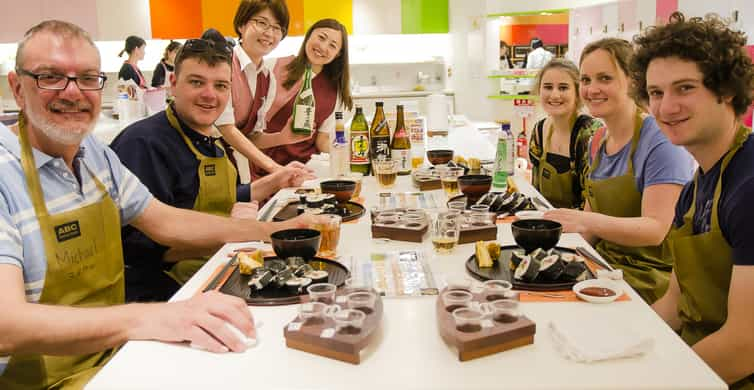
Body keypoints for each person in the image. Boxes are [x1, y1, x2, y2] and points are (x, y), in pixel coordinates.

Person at [0, 20, 312, 389]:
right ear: (17, 88)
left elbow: (166, 221)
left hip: (115, 353)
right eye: (50, 77)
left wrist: (273, 231)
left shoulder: (95, 156)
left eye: (87, 78)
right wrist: (151, 318)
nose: (73, 93)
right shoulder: (7, 174)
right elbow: (7, 326)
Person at [111, 37, 308, 301]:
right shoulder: (144, 144)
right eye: (196, 82)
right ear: (173, 84)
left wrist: (276, 180)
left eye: (220, 85)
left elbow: (221, 197)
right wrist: (235, 233)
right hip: (168, 290)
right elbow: (137, 248)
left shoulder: (209, 138)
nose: (209, 94)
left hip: (215, 267)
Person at [632, 12, 754, 388]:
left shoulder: (749, 187)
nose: (666, 108)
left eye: (685, 88)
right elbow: (673, 304)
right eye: (656, 93)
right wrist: (620, 342)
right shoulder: (695, 187)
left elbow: (744, 346)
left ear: (727, 90)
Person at [544, 38, 695, 303]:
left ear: (634, 81)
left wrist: (585, 221)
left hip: (648, 279)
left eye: (605, 78)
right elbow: (590, 223)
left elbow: (655, 229)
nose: (592, 89)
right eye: (586, 80)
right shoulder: (597, 140)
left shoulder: (661, 141)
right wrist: (556, 257)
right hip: (603, 265)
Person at [214, 0, 313, 178]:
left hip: (235, 170)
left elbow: (251, 137)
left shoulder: (267, 79)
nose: (269, 33)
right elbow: (225, 128)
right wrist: (275, 168)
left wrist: (283, 137)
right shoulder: (222, 64)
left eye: (277, 28)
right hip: (204, 164)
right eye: (261, 23)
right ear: (241, 24)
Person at [248, 18, 353, 179]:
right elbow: (249, 126)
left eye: (332, 45)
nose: (323, 47)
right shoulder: (272, 67)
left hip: (302, 172)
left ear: (338, 54)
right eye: (321, 37)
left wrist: (345, 150)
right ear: (309, 35)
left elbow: (322, 140)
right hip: (261, 164)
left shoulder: (336, 93)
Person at [529, 58, 601, 209]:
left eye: (563, 88)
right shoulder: (539, 131)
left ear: (578, 92)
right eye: (548, 87)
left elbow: (593, 203)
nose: (554, 95)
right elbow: (536, 193)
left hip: (581, 227)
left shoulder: (590, 134)